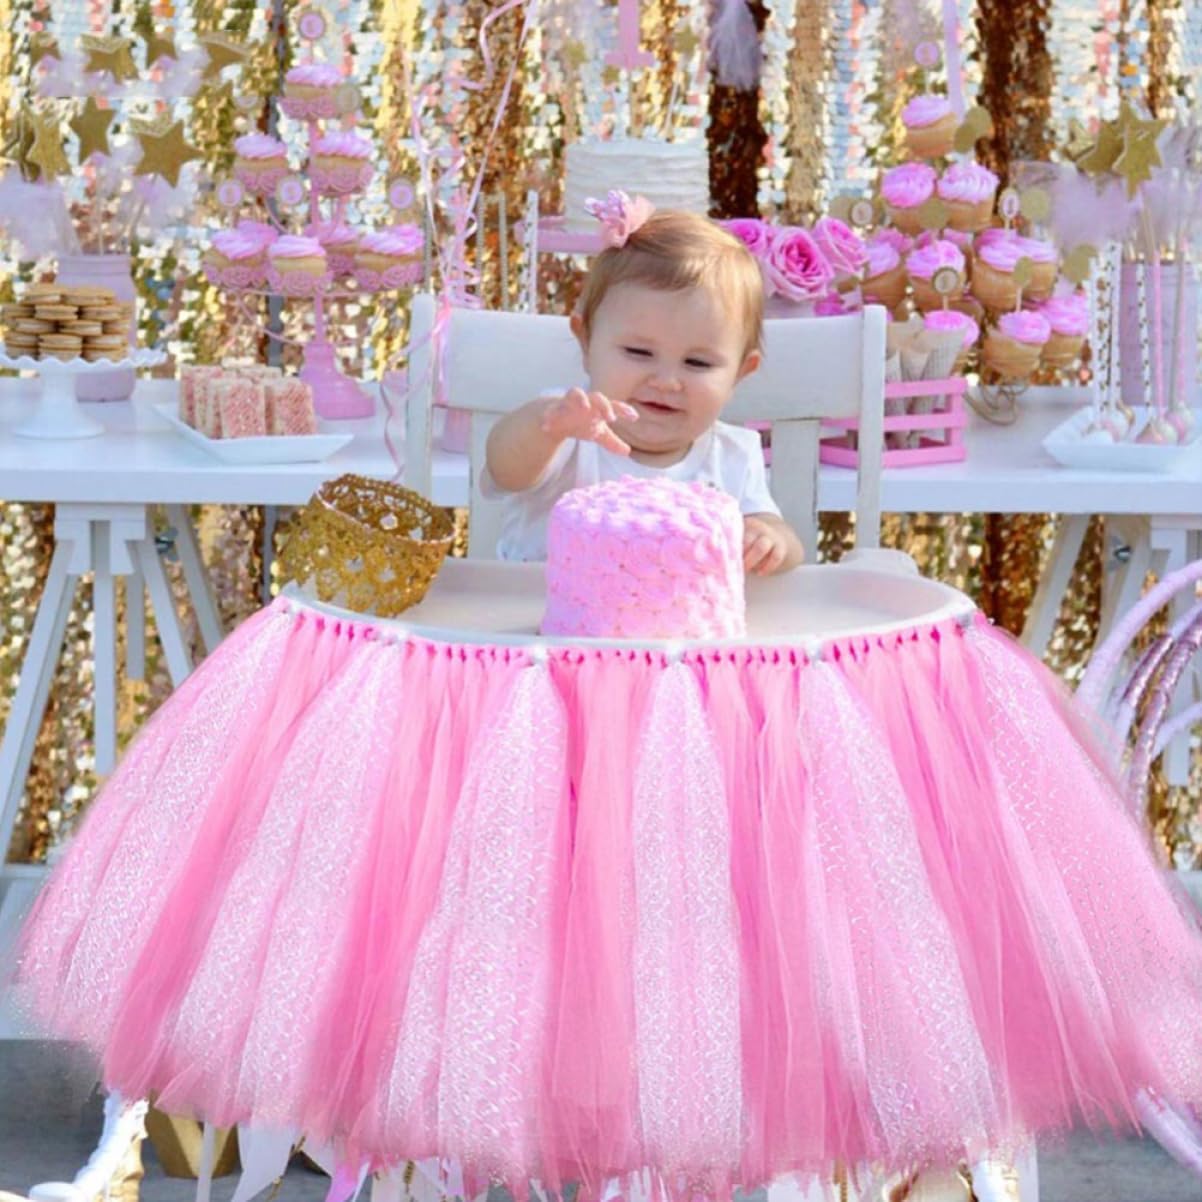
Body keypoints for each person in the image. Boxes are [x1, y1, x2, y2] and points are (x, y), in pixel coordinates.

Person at [484, 194, 804, 574]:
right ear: (586, 343)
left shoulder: (732, 456)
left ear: (740, 372)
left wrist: (770, 539)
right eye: (638, 352)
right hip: (540, 608)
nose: (666, 382)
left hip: (684, 613)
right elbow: (505, 469)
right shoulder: (568, 427)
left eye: (697, 363)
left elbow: (785, 541)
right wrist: (547, 427)